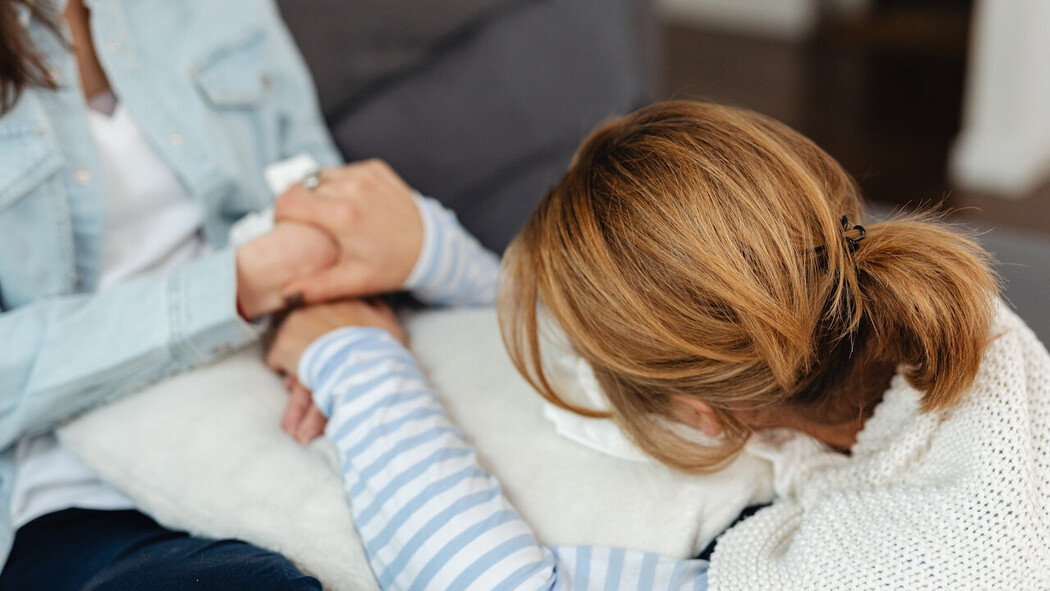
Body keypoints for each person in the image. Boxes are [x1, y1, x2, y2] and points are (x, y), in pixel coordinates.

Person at [267, 101, 1050, 589]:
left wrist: (358, 360)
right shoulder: (945, 313)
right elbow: (673, 330)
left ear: (699, 416)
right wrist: (430, 257)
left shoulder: (891, 568)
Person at [0, 0, 351, 587]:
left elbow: (322, 185)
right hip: (81, 499)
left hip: (296, 406)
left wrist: (339, 311)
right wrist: (228, 291)